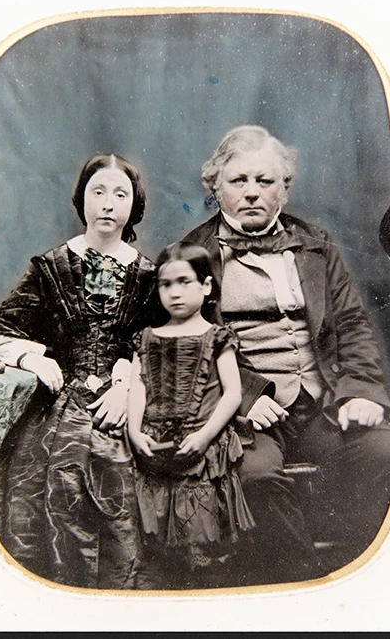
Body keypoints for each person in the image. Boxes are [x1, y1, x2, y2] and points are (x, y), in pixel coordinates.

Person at [182, 125, 390, 584]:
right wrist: (244, 396)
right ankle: (302, 591)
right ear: (215, 187)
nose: (252, 193)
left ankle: (358, 583)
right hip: (245, 415)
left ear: (285, 188)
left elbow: (353, 324)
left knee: (389, 454)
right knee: (255, 479)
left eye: (265, 181)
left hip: (322, 403)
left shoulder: (316, 243)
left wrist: (362, 392)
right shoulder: (190, 255)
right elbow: (191, 345)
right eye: (239, 181)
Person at [0, 153, 158, 589]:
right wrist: (33, 358)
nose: (108, 204)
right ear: (82, 200)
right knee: (56, 468)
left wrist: (126, 386)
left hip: (128, 403)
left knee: (113, 465)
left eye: (120, 194)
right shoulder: (51, 268)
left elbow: (158, 342)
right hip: (57, 401)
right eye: (98, 192)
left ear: (134, 206)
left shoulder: (150, 274)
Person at [127, 242, 256, 589]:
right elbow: (138, 385)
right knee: (155, 542)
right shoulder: (148, 337)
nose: (174, 292)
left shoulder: (216, 337)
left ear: (206, 286)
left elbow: (233, 393)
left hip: (201, 446)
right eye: (166, 284)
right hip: (154, 445)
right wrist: (134, 431)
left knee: (202, 539)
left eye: (185, 282)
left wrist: (204, 436)